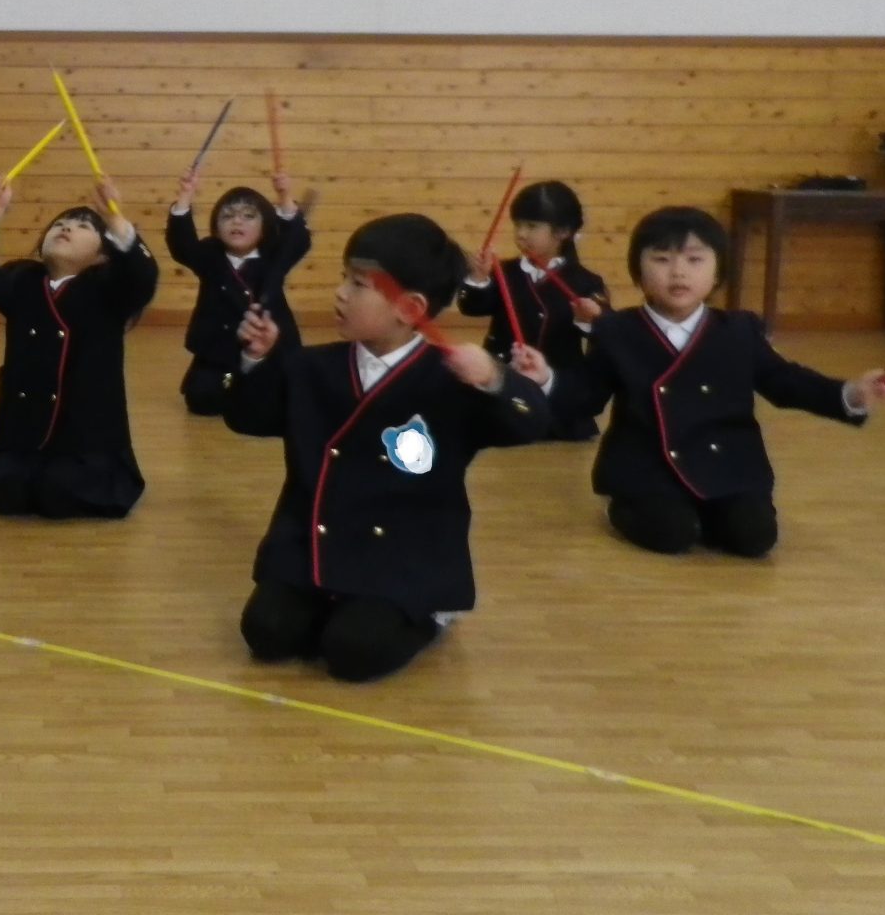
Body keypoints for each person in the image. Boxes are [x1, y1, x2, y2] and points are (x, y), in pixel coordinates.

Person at [228, 213, 550, 681]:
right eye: (344, 277)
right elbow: (247, 418)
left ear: (410, 308)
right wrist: (257, 359)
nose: (340, 293)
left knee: (354, 653)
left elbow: (531, 423)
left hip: (402, 553)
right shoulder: (311, 367)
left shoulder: (451, 379)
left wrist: (494, 379)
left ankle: (431, 612)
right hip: (317, 540)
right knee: (267, 633)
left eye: (359, 284)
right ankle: (335, 603)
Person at [550, 205, 885, 557]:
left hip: (726, 460)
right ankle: (624, 509)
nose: (678, 272)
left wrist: (852, 393)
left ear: (718, 272)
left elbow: (784, 380)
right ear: (638, 270)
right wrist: (546, 379)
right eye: (662, 259)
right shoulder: (616, 330)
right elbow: (586, 395)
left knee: (754, 538)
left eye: (695, 260)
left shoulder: (739, 330)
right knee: (672, 534)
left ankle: (707, 513)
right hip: (649, 467)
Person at [0, 176, 159, 518]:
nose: (66, 228)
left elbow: (142, 277)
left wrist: (116, 221)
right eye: (59, 224)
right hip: (24, 426)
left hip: (84, 435)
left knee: (60, 492)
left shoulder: (109, 289)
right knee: (6, 492)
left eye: (82, 226)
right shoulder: (23, 280)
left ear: (102, 255)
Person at [457, 179, 609, 440]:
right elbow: (472, 307)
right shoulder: (503, 272)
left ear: (563, 231)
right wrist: (478, 279)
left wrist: (592, 318)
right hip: (505, 389)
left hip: (557, 398)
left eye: (532, 226)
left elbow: (606, 331)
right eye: (518, 225)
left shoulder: (586, 281)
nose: (521, 234)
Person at [166, 167, 311, 415]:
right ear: (216, 227)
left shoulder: (274, 255)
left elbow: (298, 240)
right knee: (201, 399)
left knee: (284, 397)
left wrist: (285, 196)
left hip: (270, 350)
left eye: (248, 216)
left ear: (265, 227)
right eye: (227, 216)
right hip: (219, 353)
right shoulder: (210, 254)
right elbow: (182, 246)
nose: (236, 221)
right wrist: (185, 196)